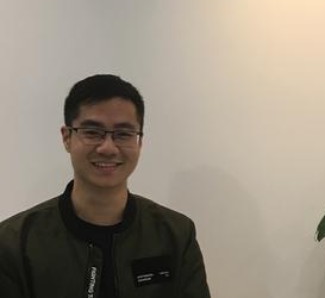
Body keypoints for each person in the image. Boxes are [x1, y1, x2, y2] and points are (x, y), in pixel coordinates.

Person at [0, 74, 211, 297]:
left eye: (123, 134)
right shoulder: (14, 243)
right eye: (92, 132)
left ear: (139, 141)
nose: (108, 148)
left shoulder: (176, 234)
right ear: (67, 138)